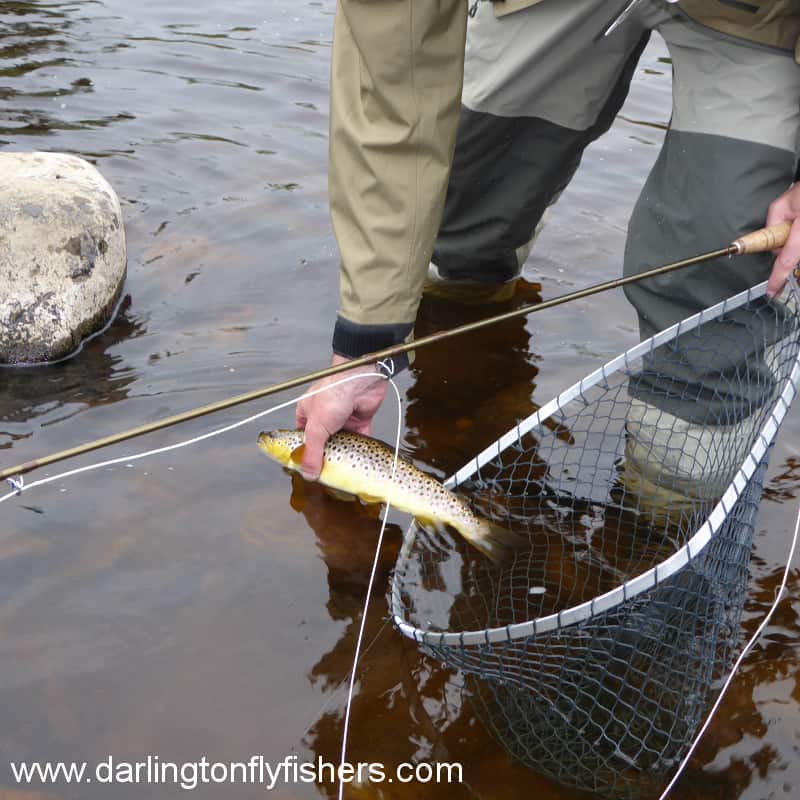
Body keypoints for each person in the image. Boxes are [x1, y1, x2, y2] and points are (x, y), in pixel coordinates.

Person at [296, 0, 800, 481]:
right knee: (457, 210)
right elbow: (392, 83)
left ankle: (670, 505)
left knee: (721, 282)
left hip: (763, 16)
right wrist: (367, 345)